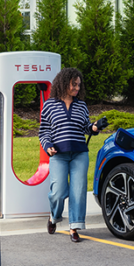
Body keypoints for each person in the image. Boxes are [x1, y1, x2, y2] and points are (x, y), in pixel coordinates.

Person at [39, 67, 100, 243]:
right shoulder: (50, 105)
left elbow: (86, 127)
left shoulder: (81, 105)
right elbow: (44, 131)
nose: (77, 88)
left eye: (79, 85)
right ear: (64, 83)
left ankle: (74, 227)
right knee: (58, 191)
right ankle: (54, 217)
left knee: (78, 191)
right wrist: (48, 146)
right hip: (58, 154)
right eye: (74, 85)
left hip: (80, 154)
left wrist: (94, 127)